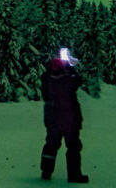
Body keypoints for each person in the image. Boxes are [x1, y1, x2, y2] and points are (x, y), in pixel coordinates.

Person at [40, 53, 89, 183]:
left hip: (52, 119)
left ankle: (46, 172)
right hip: (69, 120)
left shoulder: (47, 79)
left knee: (51, 145)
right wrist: (71, 66)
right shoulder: (67, 79)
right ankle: (74, 175)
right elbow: (78, 80)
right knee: (73, 147)